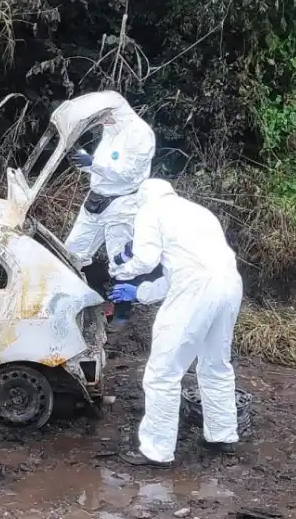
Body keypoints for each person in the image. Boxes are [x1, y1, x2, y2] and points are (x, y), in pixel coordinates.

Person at [108, 178, 243, 467]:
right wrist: (139, 293)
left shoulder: (150, 210)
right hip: (230, 285)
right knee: (216, 365)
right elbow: (178, 273)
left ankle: (156, 450)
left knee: (162, 372)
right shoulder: (198, 212)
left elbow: (146, 261)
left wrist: (121, 271)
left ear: (142, 199)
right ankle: (223, 435)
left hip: (196, 289)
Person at [62, 94, 156, 330]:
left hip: (121, 204)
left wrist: (92, 163)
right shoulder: (111, 131)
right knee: (72, 252)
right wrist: (85, 163)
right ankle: (82, 301)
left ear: (115, 112)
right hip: (96, 200)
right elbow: (105, 167)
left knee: (120, 260)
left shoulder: (140, 134)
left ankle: (122, 316)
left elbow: (127, 173)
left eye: (104, 118)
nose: (103, 123)